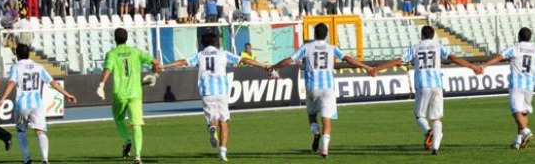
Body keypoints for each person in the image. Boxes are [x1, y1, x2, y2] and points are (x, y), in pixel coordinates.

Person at [160, 32, 270, 162]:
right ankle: (222, 152)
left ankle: (212, 128)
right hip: (221, 91)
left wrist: (164, 66)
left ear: (202, 43)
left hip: (207, 92)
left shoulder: (200, 55)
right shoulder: (223, 53)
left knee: (212, 120)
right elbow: (243, 60)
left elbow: (183, 62)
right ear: (216, 42)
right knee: (223, 122)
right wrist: (264, 66)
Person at [372, 26, 481, 155]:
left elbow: (398, 61)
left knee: (419, 115)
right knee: (437, 118)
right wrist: (472, 66)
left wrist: (377, 69)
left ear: (421, 35)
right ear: (433, 35)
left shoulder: (416, 47)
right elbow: (453, 58)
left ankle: (428, 131)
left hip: (422, 85)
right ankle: (435, 148)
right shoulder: (438, 46)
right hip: (437, 85)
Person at [271, 23, 373, 158]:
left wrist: (274, 67)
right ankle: (324, 148)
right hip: (327, 88)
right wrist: (366, 67)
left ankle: (315, 132)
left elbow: (289, 60)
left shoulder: (307, 47)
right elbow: (347, 59)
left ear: (314, 34)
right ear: (326, 35)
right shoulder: (331, 48)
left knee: (312, 115)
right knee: (326, 119)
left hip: (312, 88)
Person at [480, 27, 535, 150]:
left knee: (516, 111)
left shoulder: (515, 48)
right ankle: (518, 141)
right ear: (530, 37)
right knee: (523, 112)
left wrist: (484, 65)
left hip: (516, 84)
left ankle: (526, 132)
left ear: (519, 36)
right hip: (530, 86)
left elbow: (500, 57)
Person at [0, 44, 77, 164]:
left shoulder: (16, 67)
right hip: (37, 104)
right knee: (40, 131)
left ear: (17, 55)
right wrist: (67, 94)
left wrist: (2, 99)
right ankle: (45, 159)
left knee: (21, 130)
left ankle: (27, 158)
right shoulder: (38, 66)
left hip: (22, 104)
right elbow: (52, 82)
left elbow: (11, 83)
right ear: (29, 53)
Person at [96, 28, 161, 164]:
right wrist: (155, 75)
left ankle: (126, 140)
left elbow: (107, 69)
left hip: (119, 93)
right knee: (137, 124)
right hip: (135, 93)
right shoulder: (135, 52)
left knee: (119, 119)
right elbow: (155, 62)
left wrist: (101, 84)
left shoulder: (112, 54)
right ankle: (138, 157)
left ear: (115, 39)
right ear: (127, 38)